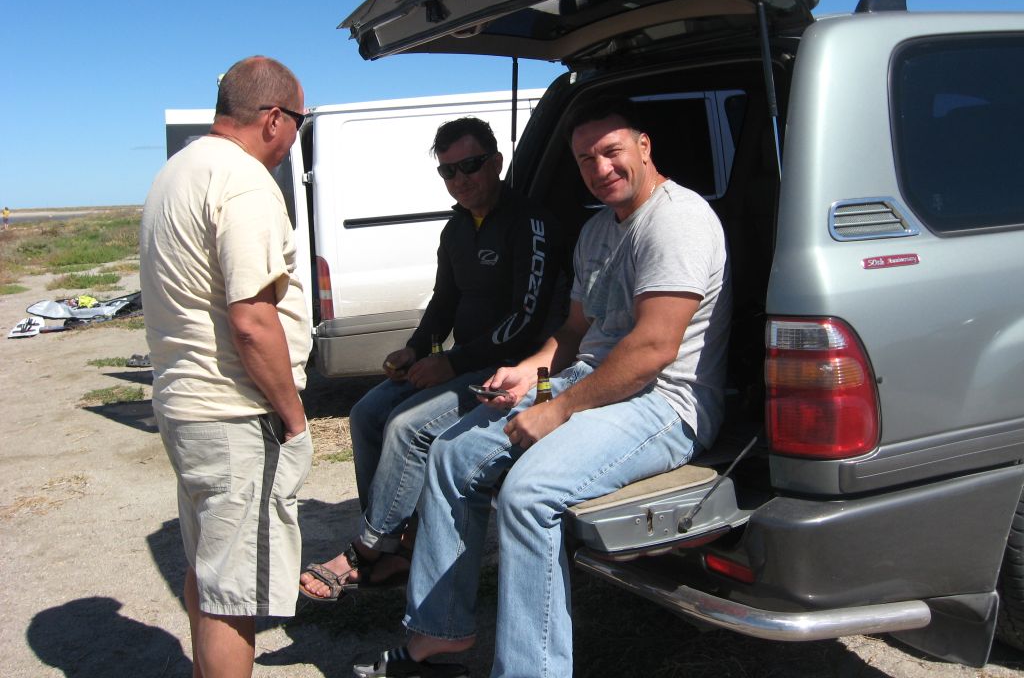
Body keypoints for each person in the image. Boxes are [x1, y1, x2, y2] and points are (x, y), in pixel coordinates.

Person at [355, 97, 732, 678]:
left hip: (661, 403)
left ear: (644, 146)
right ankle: (440, 632)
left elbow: (652, 349)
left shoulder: (677, 220)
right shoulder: (597, 230)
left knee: (528, 495)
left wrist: (556, 411)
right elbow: (575, 333)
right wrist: (532, 374)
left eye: (611, 152)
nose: (599, 168)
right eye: (585, 159)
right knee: (453, 454)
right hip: (587, 382)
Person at [300, 117, 564, 602]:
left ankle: (371, 548)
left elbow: (526, 319)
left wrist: (453, 362)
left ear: (496, 163)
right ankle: (400, 540)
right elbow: (443, 302)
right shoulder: (456, 229)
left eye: (471, 165)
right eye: (448, 171)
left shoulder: (531, 223)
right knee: (366, 413)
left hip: (509, 372)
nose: (460, 179)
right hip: (465, 364)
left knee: (407, 427)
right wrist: (417, 348)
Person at [140, 56, 312, 678]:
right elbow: (252, 320)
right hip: (234, 413)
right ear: (274, 119)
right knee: (233, 595)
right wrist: (294, 417)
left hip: (187, 405)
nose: (295, 138)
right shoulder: (243, 181)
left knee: (209, 569)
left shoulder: (178, 170)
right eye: (299, 122)